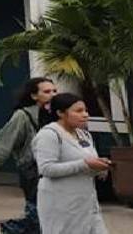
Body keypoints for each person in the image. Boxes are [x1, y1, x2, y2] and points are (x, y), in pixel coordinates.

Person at [0, 77, 56, 234]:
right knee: (37, 215)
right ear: (34, 95)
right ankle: (12, 230)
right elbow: (2, 144)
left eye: (55, 91)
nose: (52, 94)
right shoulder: (23, 116)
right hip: (34, 173)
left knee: (52, 216)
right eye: (47, 91)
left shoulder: (59, 114)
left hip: (57, 171)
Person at [33, 92, 111, 234]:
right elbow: (46, 169)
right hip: (61, 204)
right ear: (61, 113)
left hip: (87, 203)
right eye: (78, 111)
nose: (85, 115)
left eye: (86, 110)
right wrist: (85, 164)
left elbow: (89, 162)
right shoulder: (49, 134)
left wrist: (100, 167)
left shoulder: (84, 135)